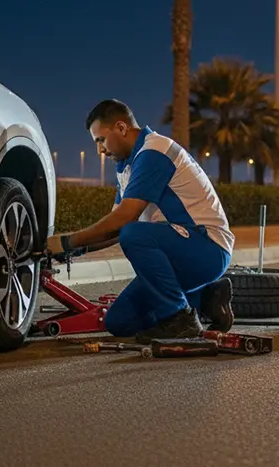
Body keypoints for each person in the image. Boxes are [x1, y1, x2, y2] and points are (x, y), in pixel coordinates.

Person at [47, 99, 235, 343]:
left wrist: (65, 241)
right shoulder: (127, 165)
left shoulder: (154, 151)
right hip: (181, 250)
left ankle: (179, 318)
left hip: (207, 247)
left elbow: (124, 221)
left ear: (121, 127)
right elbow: (114, 229)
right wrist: (74, 249)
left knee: (134, 234)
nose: (100, 150)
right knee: (118, 321)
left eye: (101, 140)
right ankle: (206, 299)